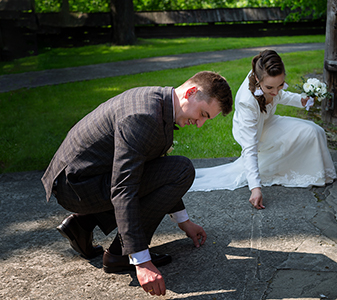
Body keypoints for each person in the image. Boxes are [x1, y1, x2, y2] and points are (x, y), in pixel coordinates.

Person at [41, 71, 233, 296]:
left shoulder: (159, 102)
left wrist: (184, 221)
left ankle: (82, 225)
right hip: (76, 186)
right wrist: (141, 261)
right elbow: (124, 188)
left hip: (86, 177)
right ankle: (119, 255)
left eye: (205, 119)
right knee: (180, 170)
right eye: (202, 114)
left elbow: (152, 170)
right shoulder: (144, 116)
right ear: (191, 92)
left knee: (175, 170)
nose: (199, 124)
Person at [189, 50, 337, 209]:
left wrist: (300, 100)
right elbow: (250, 148)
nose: (275, 91)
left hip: (267, 121)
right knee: (308, 133)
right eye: (270, 87)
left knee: (315, 130)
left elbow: (280, 95)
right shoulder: (247, 103)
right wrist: (255, 188)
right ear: (258, 79)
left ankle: (319, 173)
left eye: (280, 85)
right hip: (252, 132)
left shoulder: (266, 79)